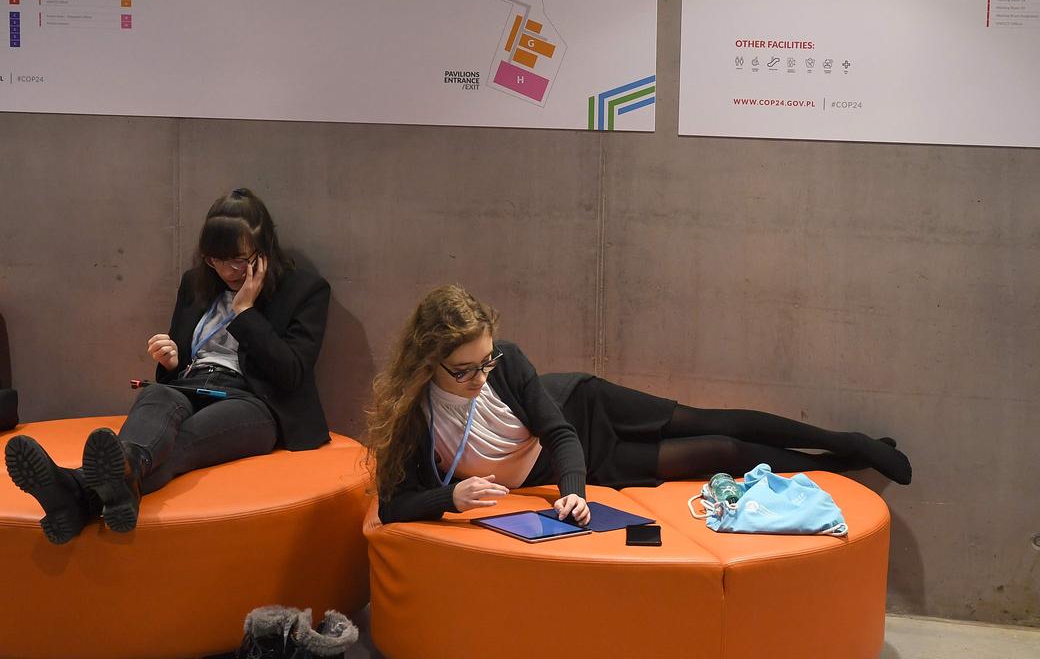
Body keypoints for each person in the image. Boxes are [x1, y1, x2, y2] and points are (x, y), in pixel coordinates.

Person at [366, 284, 911, 528]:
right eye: (465, 370)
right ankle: (844, 469)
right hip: (584, 465)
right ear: (427, 363)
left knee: (711, 425)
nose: (480, 376)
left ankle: (847, 442)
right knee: (715, 453)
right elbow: (394, 506)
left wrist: (573, 495)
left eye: (485, 362)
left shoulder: (506, 362)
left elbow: (559, 433)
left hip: (584, 415)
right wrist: (451, 496)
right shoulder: (415, 414)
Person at [4, 188, 331, 544]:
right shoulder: (196, 283)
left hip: (254, 401)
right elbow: (178, 365)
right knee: (157, 396)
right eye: (215, 260)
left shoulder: (303, 290)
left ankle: (75, 489)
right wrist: (172, 361)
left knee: (184, 442)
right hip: (190, 384)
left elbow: (292, 373)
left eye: (237, 260)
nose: (226, 270)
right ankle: (111, 475)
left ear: (263, 248)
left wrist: (246, 311)